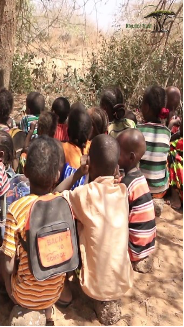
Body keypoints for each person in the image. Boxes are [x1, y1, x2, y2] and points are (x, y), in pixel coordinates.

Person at [59, 135, 133, 325]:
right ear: (116, 168)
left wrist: (78, 174)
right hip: (122, 281)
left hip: (93, 287)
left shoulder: (85, 194)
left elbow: (57, 195)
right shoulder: (123, 191)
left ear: (89, 163)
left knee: (71, 218)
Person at [0, 137, 67, 325]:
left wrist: (7, 279)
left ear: (25, 171)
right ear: (57, 176)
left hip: (23, 296)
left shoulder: (17, 209)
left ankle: (10, 292)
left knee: (3, 253)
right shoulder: (64, 205)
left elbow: (9, 265)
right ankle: (47, 311)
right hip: (55, 294)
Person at [117, 129, 156, 273]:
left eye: (118, 152)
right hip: (147, 244)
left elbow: (116, 215)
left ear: (131, 157)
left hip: (133, 248)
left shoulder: (126, 185)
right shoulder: (138, 178)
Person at [138, 86, 172, 216]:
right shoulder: (167, 132)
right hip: (160, 189)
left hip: (141, 187)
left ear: (146, 107)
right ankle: (157, 200)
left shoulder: (138, 129)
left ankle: (141, 200)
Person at [168, 119, 183, 210]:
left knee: (171, 155)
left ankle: (175, 196)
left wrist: (170, 125)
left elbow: (165, 143)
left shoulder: (178, 143)